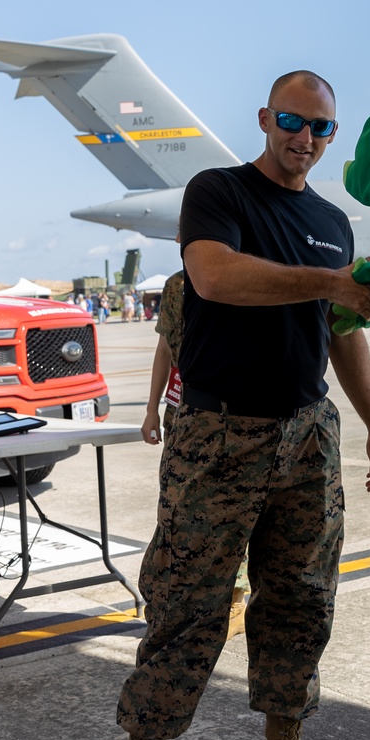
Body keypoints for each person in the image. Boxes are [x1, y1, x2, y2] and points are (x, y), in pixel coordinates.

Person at [75, 70, 370, 740]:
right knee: (186, 604)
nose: (306, 139)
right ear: (266, 118)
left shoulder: (331, 222)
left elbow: (341, 332)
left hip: (306, 436)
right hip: (216, 439)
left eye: (322, 128)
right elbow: (214, 277)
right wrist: (331, 283)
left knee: (300, 604)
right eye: (294, 121)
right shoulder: (218, 194)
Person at [140, 271, 250, 639]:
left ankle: (234, 599)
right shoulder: (176, 286)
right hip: (181, 413)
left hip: (232, 416)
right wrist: (152, 408)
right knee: (175, 512)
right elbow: (165, 351)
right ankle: (171, 601)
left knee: (231, 512)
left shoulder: (241, 276)